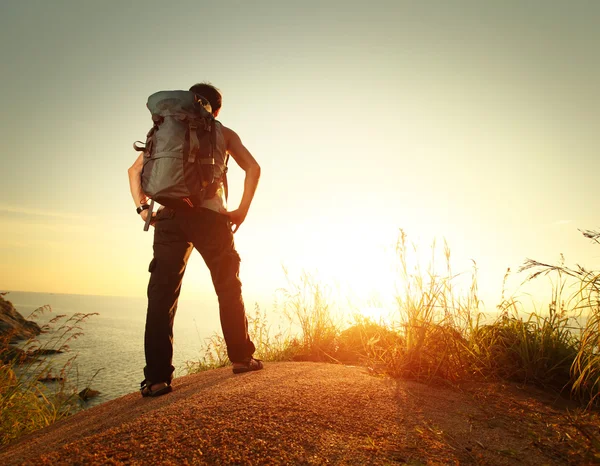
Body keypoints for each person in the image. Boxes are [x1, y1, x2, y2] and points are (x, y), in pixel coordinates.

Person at [127, 82, 263, 397]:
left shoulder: (165, 132)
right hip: (212, 219)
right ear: (216, 109)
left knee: (162, 298)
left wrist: (143, 209)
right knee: (228, 287)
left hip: (169, 218)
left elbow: (134, 172)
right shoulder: (222, 132)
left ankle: (158, 378)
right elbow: (253, 168)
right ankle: (242, 358)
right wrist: (241, 210)